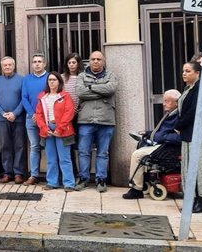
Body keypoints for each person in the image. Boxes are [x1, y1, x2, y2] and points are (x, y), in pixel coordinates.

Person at [122, 89, 181, 199]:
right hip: (160, 143)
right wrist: (149, 133)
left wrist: (162, 137)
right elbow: (161, 131)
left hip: (166, 147)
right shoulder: (169, 114)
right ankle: (140, 183)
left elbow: (179, 137)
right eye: (164, 101)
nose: (163, 104)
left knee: (137, 155)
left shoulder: (178, 116)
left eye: (167, 101)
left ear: (176, 103)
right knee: (140, 144)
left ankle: (136, 189)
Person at [174, 61, 202, 213]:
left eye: (188, 71)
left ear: (197, 73)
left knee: (200, 167)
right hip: (189, 135)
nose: (184, 73)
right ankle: (193, 199)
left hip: (200, 135)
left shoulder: (201, 89)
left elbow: (193, 112)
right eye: (183, 70)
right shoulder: (189, 88)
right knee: (190, 167)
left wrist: (178, 126)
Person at [75, 50, 118, 193]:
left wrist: (91, 87)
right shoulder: (81, 76)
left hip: (106, 120)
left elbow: (110, 89)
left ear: (103, 61)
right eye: (93, 59)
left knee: (103, 152)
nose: (95, 61)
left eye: (98, 59)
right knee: (83, 151)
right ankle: (84, 179)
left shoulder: (111, 75)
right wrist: (101, 91)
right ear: (89, 60)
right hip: (86, 119)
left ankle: (101, 179)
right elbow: (81, 92)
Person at [35, 72, 76, 191]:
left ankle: (69, 183)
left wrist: (60, 128)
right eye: (49, 80)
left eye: (54, 80)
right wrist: (45, 128)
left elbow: (69, 113)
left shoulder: (65, 96)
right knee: (51, 158)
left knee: (65, 158)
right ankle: (52, 182)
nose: (51, 82)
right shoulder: (42, 97)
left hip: (62, 130)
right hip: (47, 130)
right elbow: (39, 115)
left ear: (59, 82)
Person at [0, 56, 26, 184]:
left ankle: (18, 173)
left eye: (9, 65)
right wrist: (3, 113)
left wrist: (15, 113)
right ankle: (7, 172)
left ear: (14, 65)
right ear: (2, 67)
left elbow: (24, 98)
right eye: (5, 65)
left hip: (18, 118)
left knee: (19, 146)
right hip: (2, 118)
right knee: (5, 146)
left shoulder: (21, 79)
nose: (7, 67)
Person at [21, 53, 49, 186]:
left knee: (49, 146)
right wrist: (33, 113)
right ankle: (34, 175)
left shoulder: (50, 78)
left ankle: (52, 175)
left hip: (47, 118)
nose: (37, 64)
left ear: (44, 64)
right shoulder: (26, 79)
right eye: (34, 62)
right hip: (31, 117)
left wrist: (41, 115)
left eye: (39, 61)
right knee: (34, 146)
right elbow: (24, 98)